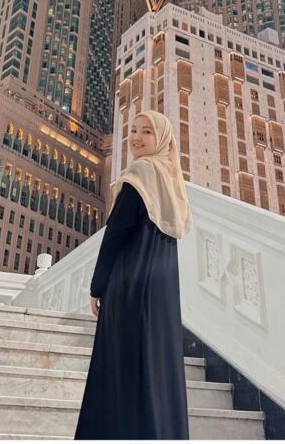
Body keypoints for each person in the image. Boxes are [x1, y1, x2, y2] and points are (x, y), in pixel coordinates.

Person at [74, 109, 193, 440]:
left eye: (147, 132)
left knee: (122, 370)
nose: (136, 138)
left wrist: (98, 286)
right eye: (134, 130)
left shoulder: (140, 173)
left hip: (129, 287)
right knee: (156, 369)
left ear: (162, 139)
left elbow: (115, 234)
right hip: (161, 295)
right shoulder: (170, 179)